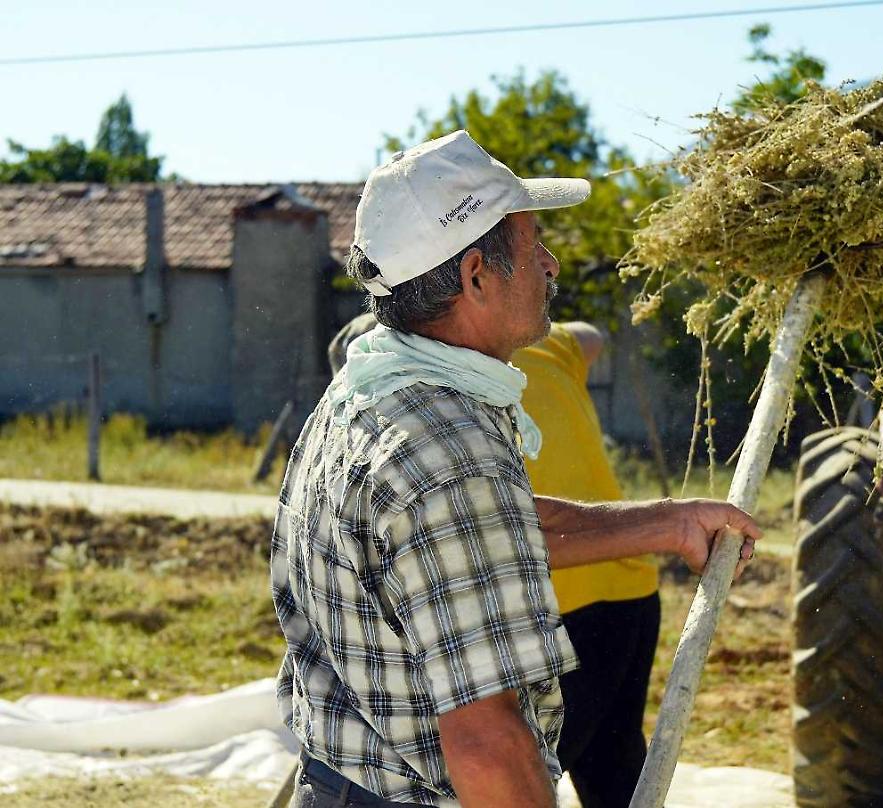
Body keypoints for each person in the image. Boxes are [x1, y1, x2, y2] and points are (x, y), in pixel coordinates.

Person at [271, 130, 760, 808]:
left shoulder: (373, 387)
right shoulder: (447, 454)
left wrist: (669, 523)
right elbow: (487, 745)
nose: (552, 266)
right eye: (535, 248)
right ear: (476, 275)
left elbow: (479, 537)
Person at [511, 323, 660, 808]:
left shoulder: (435, 379)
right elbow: (593, 335)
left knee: (527, 777)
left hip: (560, 601)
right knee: (612, 765)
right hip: (629, 584)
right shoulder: (546, 345)